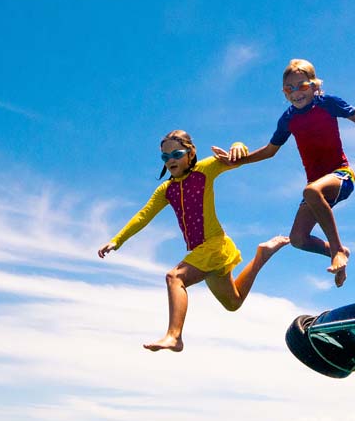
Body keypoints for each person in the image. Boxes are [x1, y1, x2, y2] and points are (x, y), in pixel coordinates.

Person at [213, 59, 355, 286]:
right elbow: (270, 151)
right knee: (298, 239)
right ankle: (340, 254)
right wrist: (239, 161)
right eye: (289, 89)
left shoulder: (327, 103)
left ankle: (337, 250)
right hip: (316, 189)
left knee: (311, 190)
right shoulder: (288, 119)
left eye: (301, 86)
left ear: (314, 86)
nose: (296, 93)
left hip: (341, 176)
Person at [98, 129, 289, 352]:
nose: (171, 160)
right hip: (203, 252)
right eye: (165, 157)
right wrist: (117, 240)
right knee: (233, 303)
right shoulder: (166, 190)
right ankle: (261, 255)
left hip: (214, 245)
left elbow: (237, 158)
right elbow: (143, 215)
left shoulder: (204, 170)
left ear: (191, 153)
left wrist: (238, 146)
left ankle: (174, 336)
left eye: (176, 154)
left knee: (174, 277)